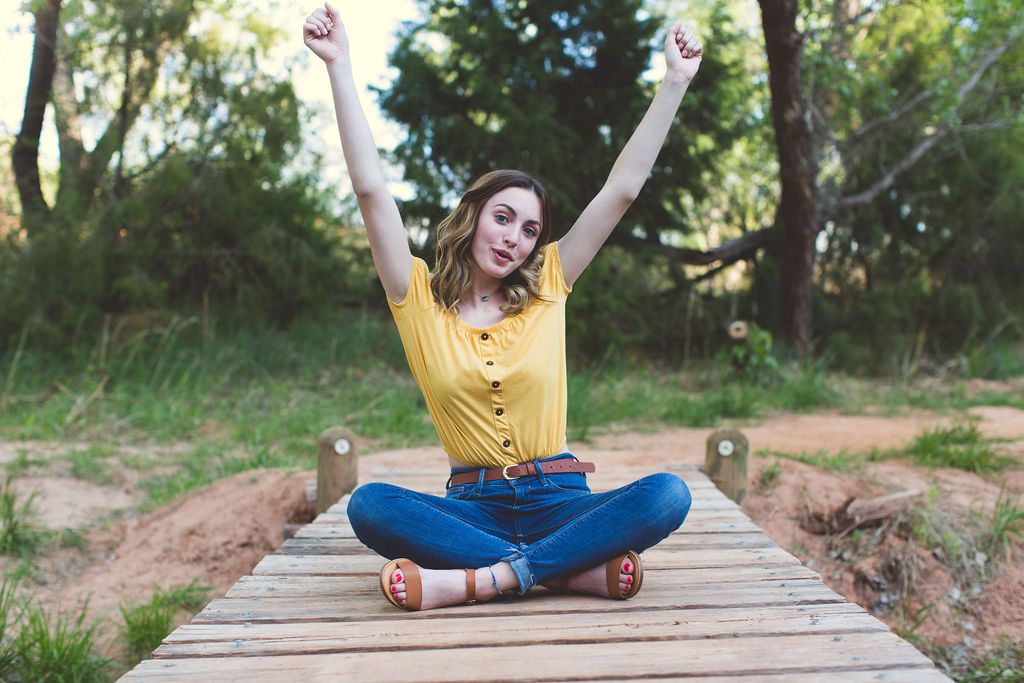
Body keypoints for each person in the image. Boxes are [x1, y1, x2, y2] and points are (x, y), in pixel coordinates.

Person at [303, 2, 702, 611]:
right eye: (504, 217)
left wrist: (674, 81)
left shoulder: (549, 283)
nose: (515, 237)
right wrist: (340, 65)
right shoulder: (416, 297)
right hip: (472, 508)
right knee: (370, 506)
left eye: (530, 229)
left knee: (668, 494)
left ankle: (484, 579)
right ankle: (565, 575)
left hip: (563, 500)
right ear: (473, 217)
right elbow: (370, 189)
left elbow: (621, 191)